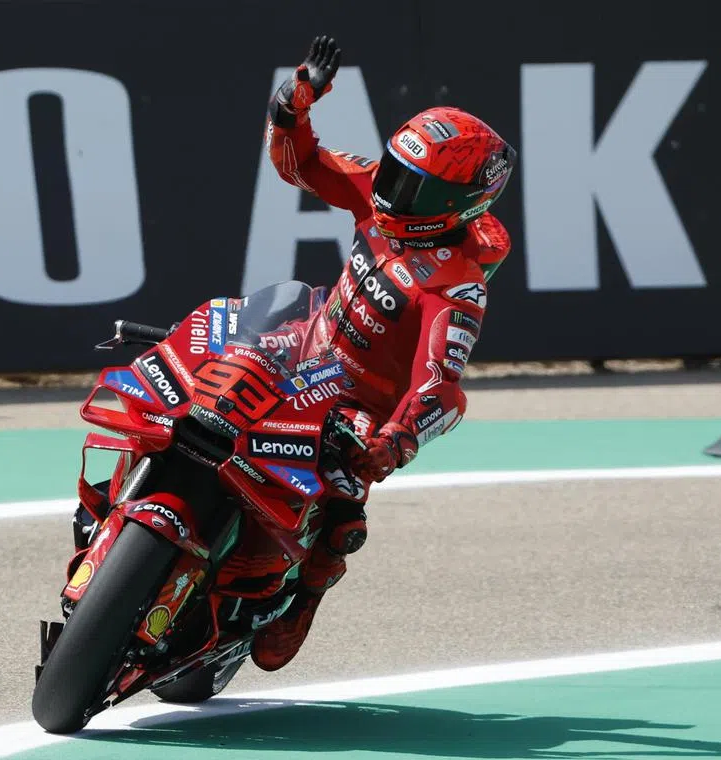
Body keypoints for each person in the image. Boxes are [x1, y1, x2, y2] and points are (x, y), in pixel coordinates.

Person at [251, 35, 518, 671]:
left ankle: (302, 599)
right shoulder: (377, 190)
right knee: (192, 377)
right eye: (394, 171)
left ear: (455, 205)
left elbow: (440, 387)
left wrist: (394, 442)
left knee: (342, 515)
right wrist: (295, 101)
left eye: (411, 185)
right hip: (302, 347)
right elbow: (298, 164)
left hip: (360, 406)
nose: (390, 190)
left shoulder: (456, 285)